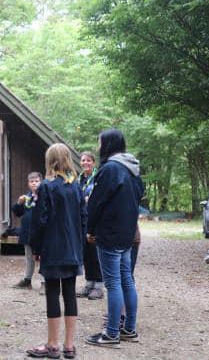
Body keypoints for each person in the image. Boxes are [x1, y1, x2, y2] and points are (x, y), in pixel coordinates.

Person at [26, 143, 86, 360]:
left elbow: (39, 221)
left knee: (52, 292)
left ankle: (52, 345)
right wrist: (79, 247)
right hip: (72, 249)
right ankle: (69, 345)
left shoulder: (46, 187)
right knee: (70, 293)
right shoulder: (75, 186)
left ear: (49, 161)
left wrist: (36, 247)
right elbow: (83, 219)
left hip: (53, 248)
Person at [85, 129, 143, 348]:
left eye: (100, 142)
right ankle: (129, 329)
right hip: (127, 233)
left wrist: (90, 229)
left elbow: (96, 202)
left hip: (109, 233)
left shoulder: (109, 168)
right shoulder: (133, 168)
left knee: (113, 282)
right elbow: (140, 194)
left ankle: (111, 333)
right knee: (126, 279)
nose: (98, 147)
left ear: (108, 144)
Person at [77, 151, 104, 300]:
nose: (85, 163)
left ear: (93, 163)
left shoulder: (98, 178)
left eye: (88, 160)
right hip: (82, 219)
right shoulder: (79, 179)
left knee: (95, 252)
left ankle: (99, 286)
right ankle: (89, 283)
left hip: (95, 219)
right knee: (86, 253)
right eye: (83, 160)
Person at [12, 172, 43, 291]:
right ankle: (27, 280)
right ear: (28, 183)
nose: (34, 183)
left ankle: (44, 281)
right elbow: (17, 213)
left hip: (40, 233)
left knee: (42, 258)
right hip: (27, 233)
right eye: (31, 181)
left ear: (41, 182)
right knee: (29, 258)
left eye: (36, 181)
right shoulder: (26, 197)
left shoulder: (43, 196)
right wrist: (19, 203)